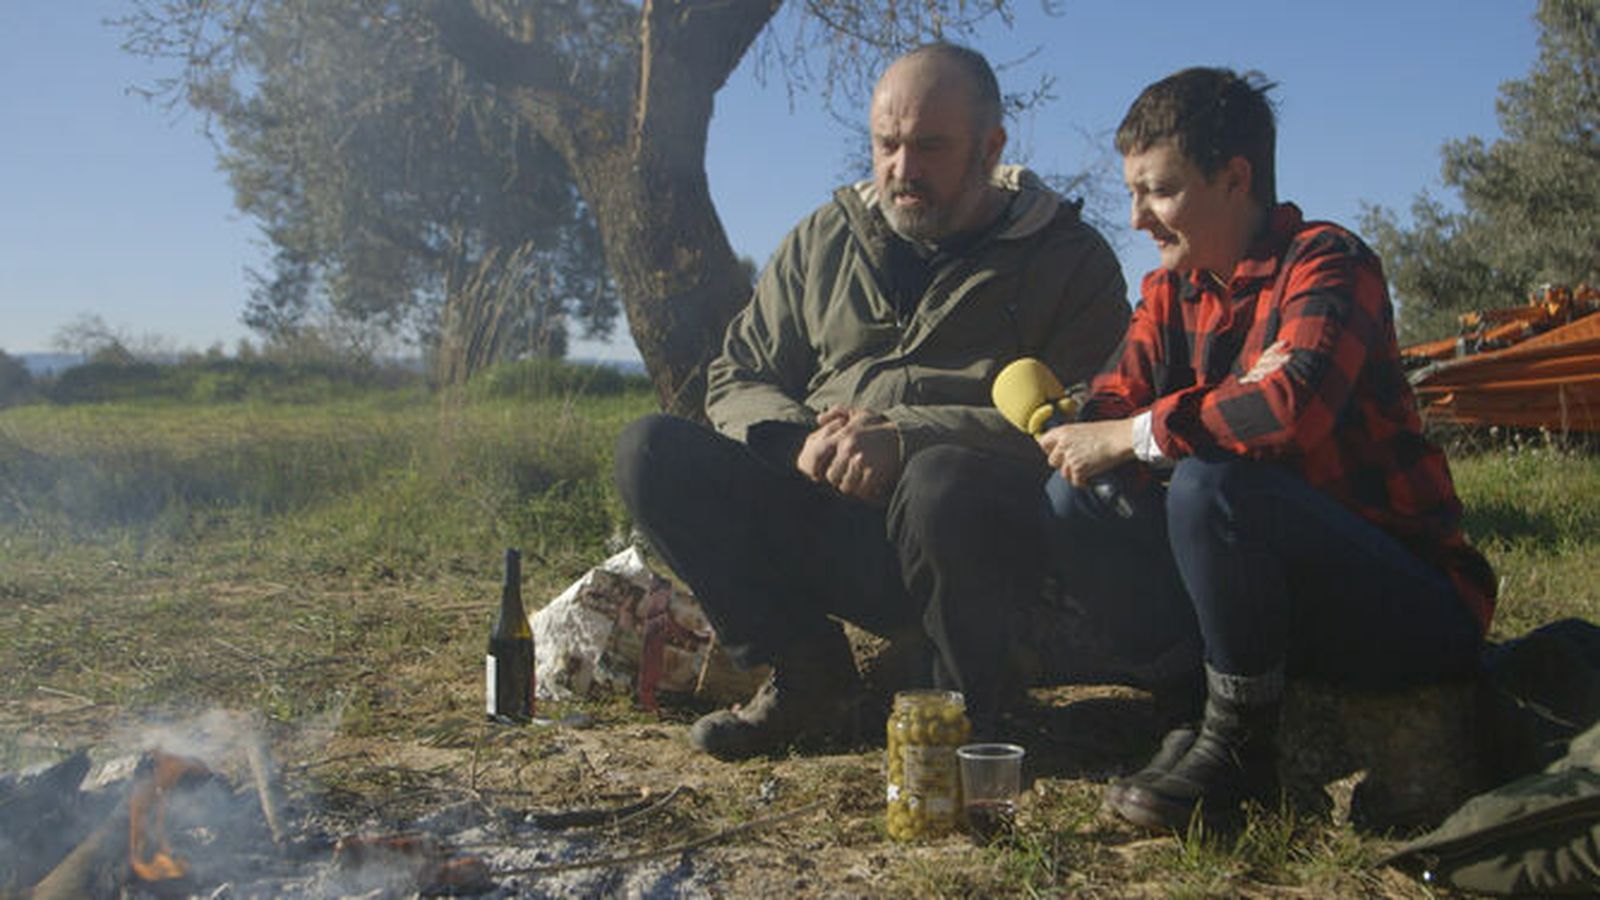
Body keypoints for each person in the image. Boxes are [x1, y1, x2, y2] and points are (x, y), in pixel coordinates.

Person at [614, 42, 1130, 760]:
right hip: (837, 520)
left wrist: (906, 439)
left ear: (990, 148)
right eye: (887, 144)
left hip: (981, 545)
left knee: (937, 479)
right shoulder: (825, 240)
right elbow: (736, 376)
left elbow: (1089, 420)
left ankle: (965, 714)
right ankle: (808, 676)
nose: (902, 169)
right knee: (651, 451)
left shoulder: (1070, 260)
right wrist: (798, 441)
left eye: (930, 147)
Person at [1038, 66, 1499, 830]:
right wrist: (1098, 428)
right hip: (1272, 604)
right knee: (1079, 491)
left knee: (1213, 485)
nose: (1138, 218)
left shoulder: (1328, 262)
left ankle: (1247, 753)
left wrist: (1132, 434)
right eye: (1133, 193)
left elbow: (1288, 408)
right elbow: (1114, 396)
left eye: (1159, 191)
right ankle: (1191, 710)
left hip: (1406, 602)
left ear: (1234, 177)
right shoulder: (1168, 292)